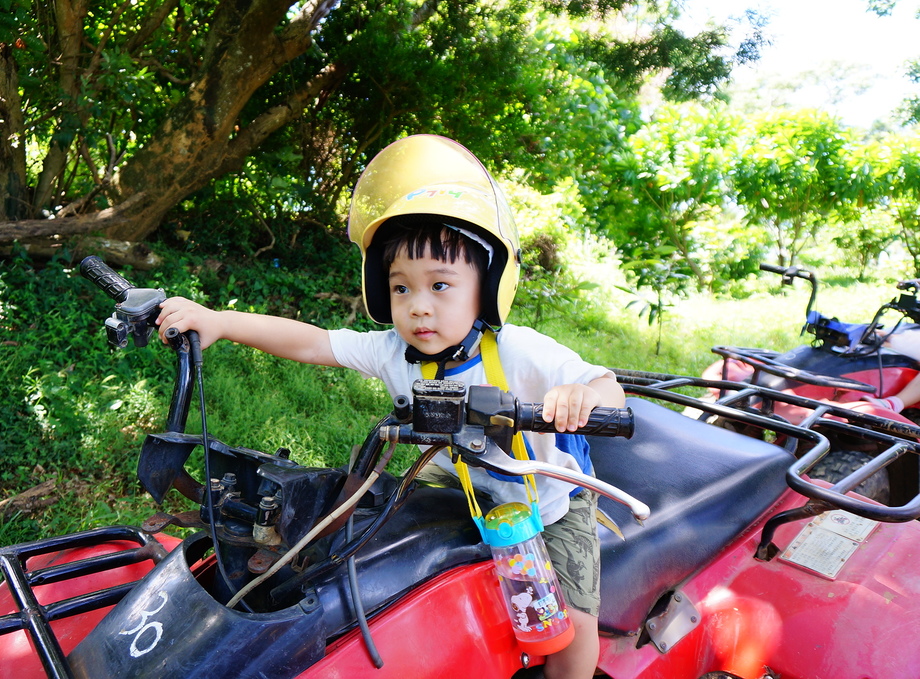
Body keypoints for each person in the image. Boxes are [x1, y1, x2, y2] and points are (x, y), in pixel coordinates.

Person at [156, 134, 624, 679]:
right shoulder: (392, 352)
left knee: (569, 634)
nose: (418, 307)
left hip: (546, 508)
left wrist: (583, 397)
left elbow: (603, 382)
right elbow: (312, 341)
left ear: (486, 288)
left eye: (441, 285)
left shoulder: (518, 349)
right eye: (401, 289)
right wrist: (219, 321)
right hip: (456, 495)